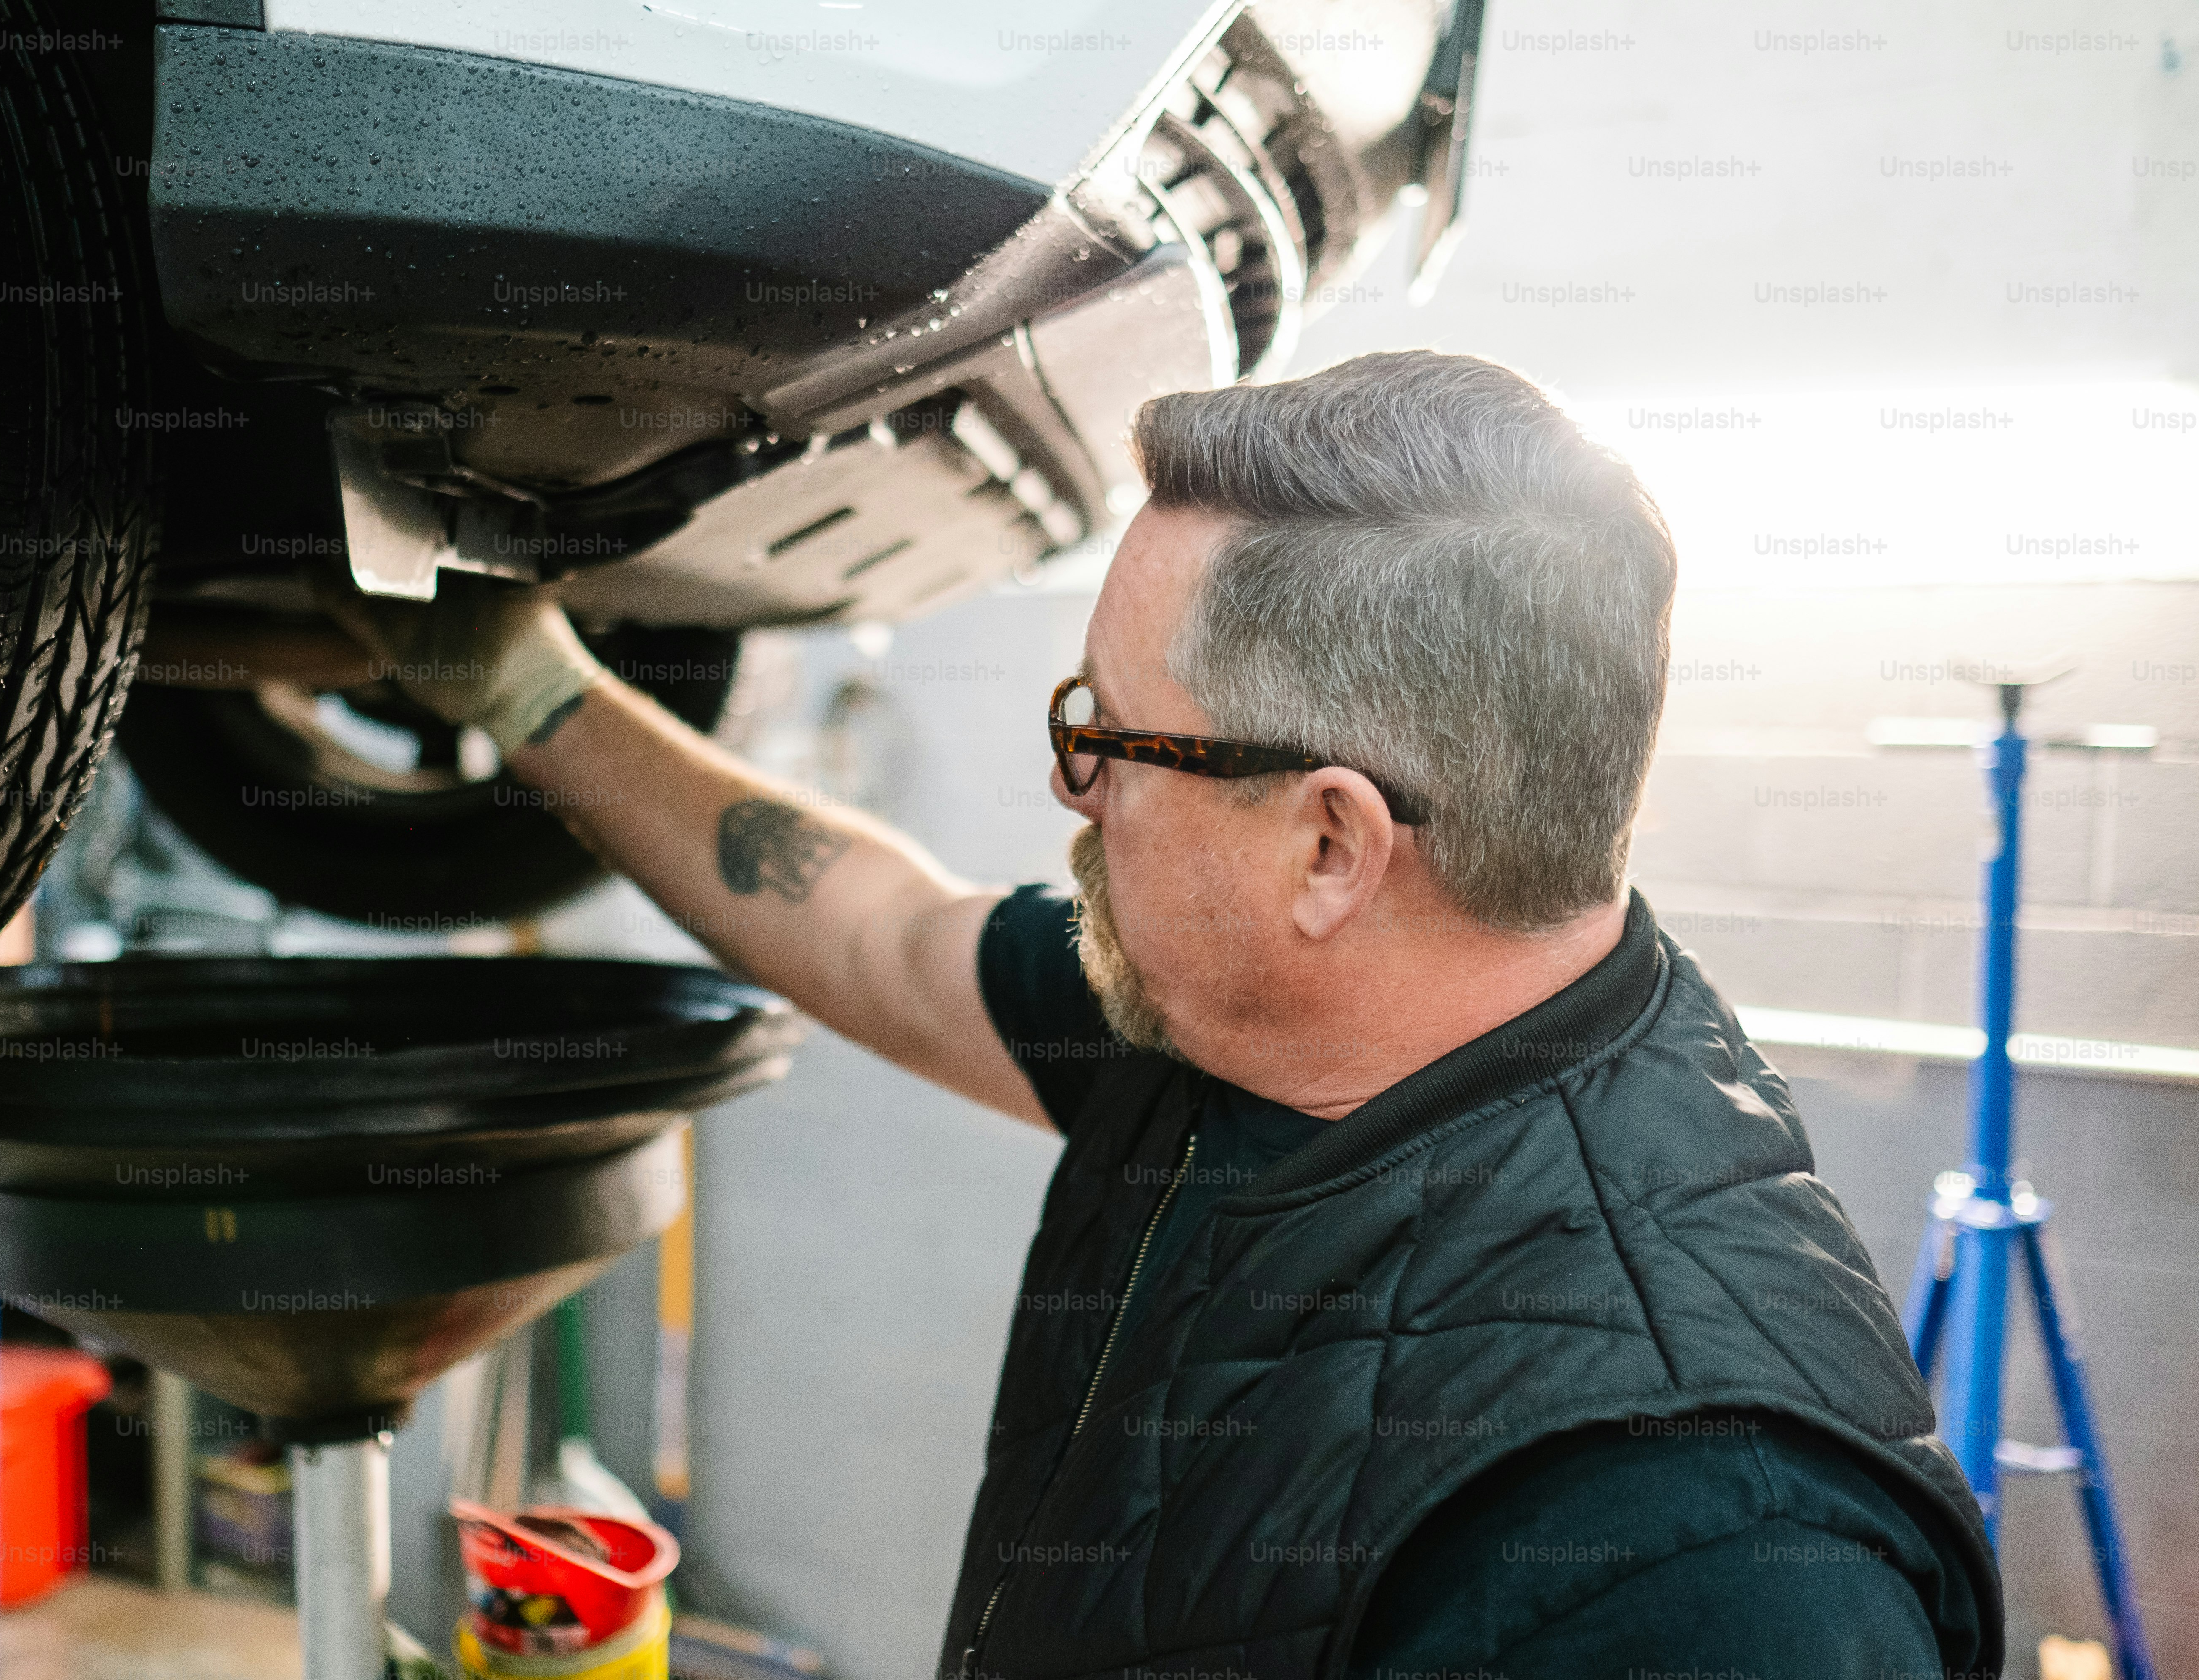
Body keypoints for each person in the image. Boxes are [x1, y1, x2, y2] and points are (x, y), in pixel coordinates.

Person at [320, 350, 2001, 1678]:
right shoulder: (1236, 1020)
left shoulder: (1695, 1549)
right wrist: (532, 692)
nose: (1071, 787)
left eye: (1114, 741)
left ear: (1331, 843)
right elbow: (883, 934)